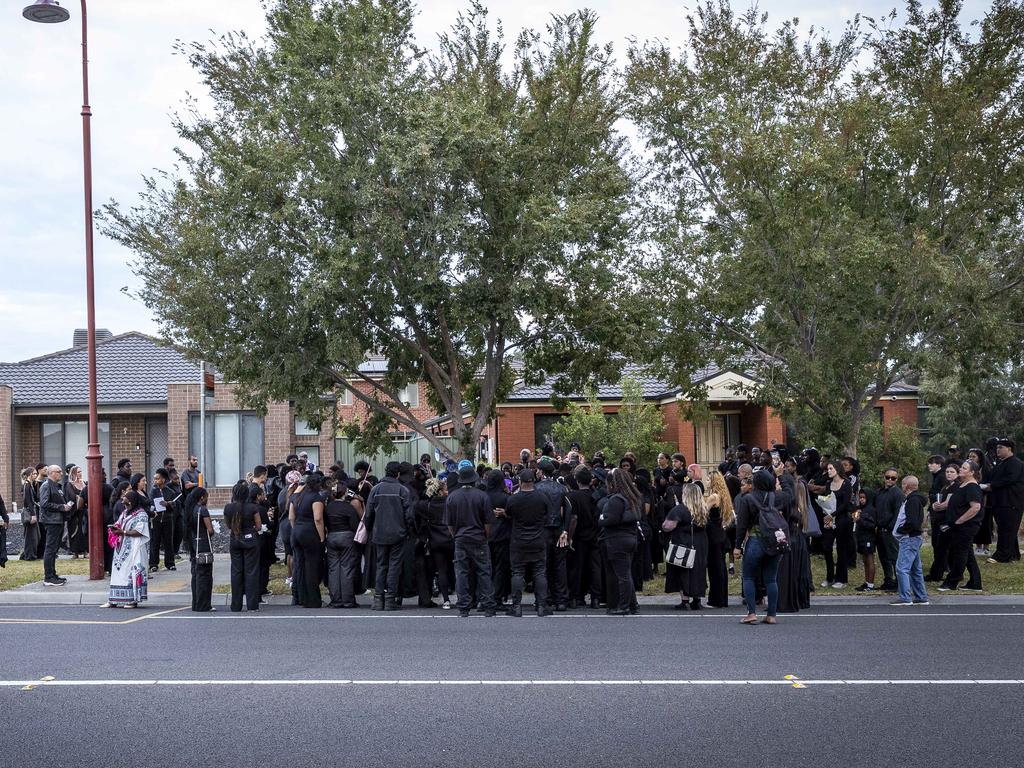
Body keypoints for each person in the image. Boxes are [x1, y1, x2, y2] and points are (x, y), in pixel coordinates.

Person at [735, 471, 792, 624]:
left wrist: (737, 546)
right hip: (775, 540)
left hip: (755, 540)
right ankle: (771, 615)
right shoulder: (778, 497)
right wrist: (781, 475)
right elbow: (789, 493)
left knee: (748, 577)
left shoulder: (748, 499)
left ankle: (751, 613)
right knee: (771, 579)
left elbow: (742, 525)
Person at [445, 464, 496, 618]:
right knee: (484, 572)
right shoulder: (482, 496)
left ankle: (464, 607)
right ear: (474, 479)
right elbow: (488, 522)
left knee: (462, 573)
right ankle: (488, 605)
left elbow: (449, 524)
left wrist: (456, 536)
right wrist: (485, 536)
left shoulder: (452, 497)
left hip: (461, 538)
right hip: (479, 537)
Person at [364, 461, 415, 611]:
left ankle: (378, 598)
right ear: (398, 474)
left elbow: (368, 514)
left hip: (379, 532)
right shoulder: (402, 490)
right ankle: (390, 599)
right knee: (394, 566)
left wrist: (370, 529)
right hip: (398, 533)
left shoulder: (376, 490)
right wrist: (408, 530)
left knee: (381, 565)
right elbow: (409, 515)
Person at [504, 469, 550, 617]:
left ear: (520, 482)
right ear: (533, 481)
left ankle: (516, 606)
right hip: (538, 540)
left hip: (518, 541)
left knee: (517, 573)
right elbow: (547, 515)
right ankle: (542, 606)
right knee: (539, 572)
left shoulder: (513, 499)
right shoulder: (542, 497)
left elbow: (509, 514)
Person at [597, 468, 640, 616]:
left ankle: (623, 606)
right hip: (630, 538)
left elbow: (610, 519)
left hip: (616, 540)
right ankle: (632, 604)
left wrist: (601, 518)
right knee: (626, 573)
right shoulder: (632, 497)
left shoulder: (616, 499)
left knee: (621, 575)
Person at [938, 460, 984, 593]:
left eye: (964, 468)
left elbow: (975, 507)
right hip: (958, 525)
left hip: (966, 526)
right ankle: (975, 583)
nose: (961, 469)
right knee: (968, 553)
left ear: (972, 472)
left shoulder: (972, 487)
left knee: (960, 553)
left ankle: (952, 581)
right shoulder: (963, 485)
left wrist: (960, 521)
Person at [663, 482, 709, 610]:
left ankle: (685, 600)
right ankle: (697, 599)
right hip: (700, 544)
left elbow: (668, 526)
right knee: (698, 570)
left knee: (682, 569)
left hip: (683, 544)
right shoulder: (703, 509)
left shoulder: (680, 509)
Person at [535, 457, 574, 611]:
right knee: (559, 565)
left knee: (542, 566)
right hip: (558, 529)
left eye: (538, 470)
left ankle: (544, 598)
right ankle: (561, 600)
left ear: (542, 471)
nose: (536, 472)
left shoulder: (537, 488)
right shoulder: (562, 488)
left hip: (543, 530)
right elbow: (569, 509)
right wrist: (565, 529)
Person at [101, 490, 150, 608]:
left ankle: (132, 600)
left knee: (131, 572)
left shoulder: (141, 514)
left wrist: (122, 532)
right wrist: (114, 528)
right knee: (118, 572)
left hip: (135, 548)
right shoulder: (125, 512)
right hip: (121, 547)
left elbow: (140, 531)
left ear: (132, 500)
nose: (123, 500)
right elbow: (119, 523)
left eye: (126, 498)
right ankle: (114, 599)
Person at [983, 438, 1024, 564]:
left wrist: (992, 486)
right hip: (1000, 502)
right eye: (997, 447)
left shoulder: (1015, 463)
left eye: (1001, 447)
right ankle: (1013, 554)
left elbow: (1010, 479)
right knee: (1005, 528)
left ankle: (1001, 555)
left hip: (1011, 502)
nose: (997, 449)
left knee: (1007, 528)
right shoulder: (1000, 463)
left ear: (1009, 449)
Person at [567, 465, 602, 609]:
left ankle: (575, 597)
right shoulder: (597, 495)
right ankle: (595, 598)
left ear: (577, 480)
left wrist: (569, 536)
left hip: (579, 537)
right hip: (595, 535)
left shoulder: (572, 496)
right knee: (595, 568)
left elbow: (573, 519)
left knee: (577, 568)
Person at [891, 476, 929, 606]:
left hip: (909, 538)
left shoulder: (912, 500)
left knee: (902, 568)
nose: (902, 486)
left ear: (906, 485)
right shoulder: (916, 499)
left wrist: (901, 530)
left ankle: (905, 598)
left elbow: (912, 521)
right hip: (914, 538)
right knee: (915, 569)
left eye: (903, 484)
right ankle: (921, 596)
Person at [289, 473, 325, 609]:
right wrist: (322, 537)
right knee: (311, 567)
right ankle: (313, 600)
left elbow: (291, 517)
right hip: (310, 533)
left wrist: (296, 530)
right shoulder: (316, 498)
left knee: (300, 565)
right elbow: (318, 519)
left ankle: (300, 597)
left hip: (296, 532)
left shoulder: (297, 496)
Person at [226, 481, 263, 612]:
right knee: (251, 572)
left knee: (236, 572)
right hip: (250, 540)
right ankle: (252, 605)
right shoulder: (253, 508)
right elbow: (258, 526)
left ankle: (236, 605)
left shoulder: (228, 508)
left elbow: (229, 526)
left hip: (235, 540)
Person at [816, 461, 853, 589]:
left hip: (842, 520)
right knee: (827, 547)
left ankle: (841, 579)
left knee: (841, 549)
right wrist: (825, 510)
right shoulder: (828, 483)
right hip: (829, 519)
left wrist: (834, 514)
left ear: (837, 469)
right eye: (828, 469)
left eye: (831, 468)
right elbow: (826, 499)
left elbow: (846, 503)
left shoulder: (846, 484)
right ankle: (829, 577)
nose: (829, 471)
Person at [418, 478, 455, 609]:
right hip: (451, 540)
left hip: (435, 541)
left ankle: (446, 600)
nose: (448, 491)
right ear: (440, 491)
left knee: (441, 570)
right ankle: (463, 597)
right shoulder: (450, 503)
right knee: (458, 569)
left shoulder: (426, 505)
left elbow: (416, 508)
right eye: (446, 489)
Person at [324, 480, 361, 608]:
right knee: (347, 568)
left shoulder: (328, 507)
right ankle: (348, 600)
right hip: (346, 537)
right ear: (345, 492)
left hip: (332, 536)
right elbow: (355, 525)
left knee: (333, 569)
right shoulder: (349, 507)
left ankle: (335, 600)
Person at [703, 469, 734, 608]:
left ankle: (716, 600)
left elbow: (703, 512)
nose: (707, 482)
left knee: (715, 568)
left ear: (714, 481)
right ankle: (722, 598)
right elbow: (731, 516)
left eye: (708, 480)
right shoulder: (725, 496)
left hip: (712, 534)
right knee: (721, 567)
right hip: (721, 533)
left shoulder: (713, 497)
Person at [39, 465, 73, 586]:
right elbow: (44, 503)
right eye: (59, 472)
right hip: (51, 521)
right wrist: (62, 507)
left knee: (54, 550)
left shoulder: (56, 486)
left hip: (57, 520)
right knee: (50, 549)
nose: (61, 474)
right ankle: (48, 577)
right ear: (51, 473)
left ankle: (53, 574)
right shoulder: (46, 486)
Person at [483, 468, 511, 609]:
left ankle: (484, 598)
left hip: (485, 537)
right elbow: (513, 516)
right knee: (500, 568)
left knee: (486, 569)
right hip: (502, 536)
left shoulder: (483, 496)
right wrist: (505, 514)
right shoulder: (505, 498)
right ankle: (497, 598)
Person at [186, 487, 215, 612]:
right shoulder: (203, 510)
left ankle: (196, 603)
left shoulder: (191, 509)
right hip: (204, 545)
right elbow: (210, 530)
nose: (207, 499)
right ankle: (204, 604)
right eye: (206, 496)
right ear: (202, 497)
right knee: (205, 575)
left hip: (194, 544)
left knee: (196, 574)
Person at [924, 455, 950, 581]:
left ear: (939, 464)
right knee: (936, 541)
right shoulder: (936, 476)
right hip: (935, 510)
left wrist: (934, 499)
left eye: (932, 463)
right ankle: (941, 565)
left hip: (940, 513)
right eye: (929, 463)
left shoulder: (941, 476)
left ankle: (943, 566)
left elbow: (941, 495)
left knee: (939, 542)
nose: (929, 465)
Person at [150, 468, 178, 572]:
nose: (155, 481)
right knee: (155, 542)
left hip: (167, 519)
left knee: (168, 542)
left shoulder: (170, 491)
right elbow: (151, 503)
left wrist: (169, 504)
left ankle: (170, 563)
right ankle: (153, 564)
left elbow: (175, 505)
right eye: (154, 479)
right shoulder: (153, 491)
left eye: (157, 479)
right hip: (156, 520)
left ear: (163, 479)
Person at [63, 465, 88, 558]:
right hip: (74, 512)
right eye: (78, 472)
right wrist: (80, 498)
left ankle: (85, 550)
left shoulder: (84, 483)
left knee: (84, 530)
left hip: (84, 511)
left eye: (81, 471)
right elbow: (71, 497)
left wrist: (81, 495)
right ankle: (75, 551)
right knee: (74, 531)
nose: (80, 474)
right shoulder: (70, 484)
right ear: (73, 473)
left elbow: (87, 495)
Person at [19, 467, 40, 561]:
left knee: (33, 535)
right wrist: (33, 515)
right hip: (30, 512)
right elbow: (29, 501)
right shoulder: (27, 485)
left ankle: (27, 555)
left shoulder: (29, 485)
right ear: (29, 475)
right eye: (34, 473)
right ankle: (29, 556)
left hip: (31, 511)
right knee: (31, 536)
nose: (36, 475)